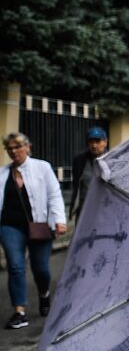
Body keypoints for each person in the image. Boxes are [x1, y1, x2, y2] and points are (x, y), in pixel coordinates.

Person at [0, 132, 67, 329]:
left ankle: (44, 294)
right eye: (10, 148)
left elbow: (54, 195)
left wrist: (59, 221)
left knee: (41, 269)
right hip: (10, 226)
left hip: (40, 225)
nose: (14, 152)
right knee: (15, 266)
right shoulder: (3, 173)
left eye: (17, 147)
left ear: (27, 147)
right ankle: (19, 311)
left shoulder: (42, 167)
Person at [69, 126, 108, 222]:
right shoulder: (79, 160)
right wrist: (73, 208)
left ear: (105, 142)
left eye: (97, 141)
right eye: (91, 142)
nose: (94, 145)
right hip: (84, 212)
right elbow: (76, 185)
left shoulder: (112, 159)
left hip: (106, 211)